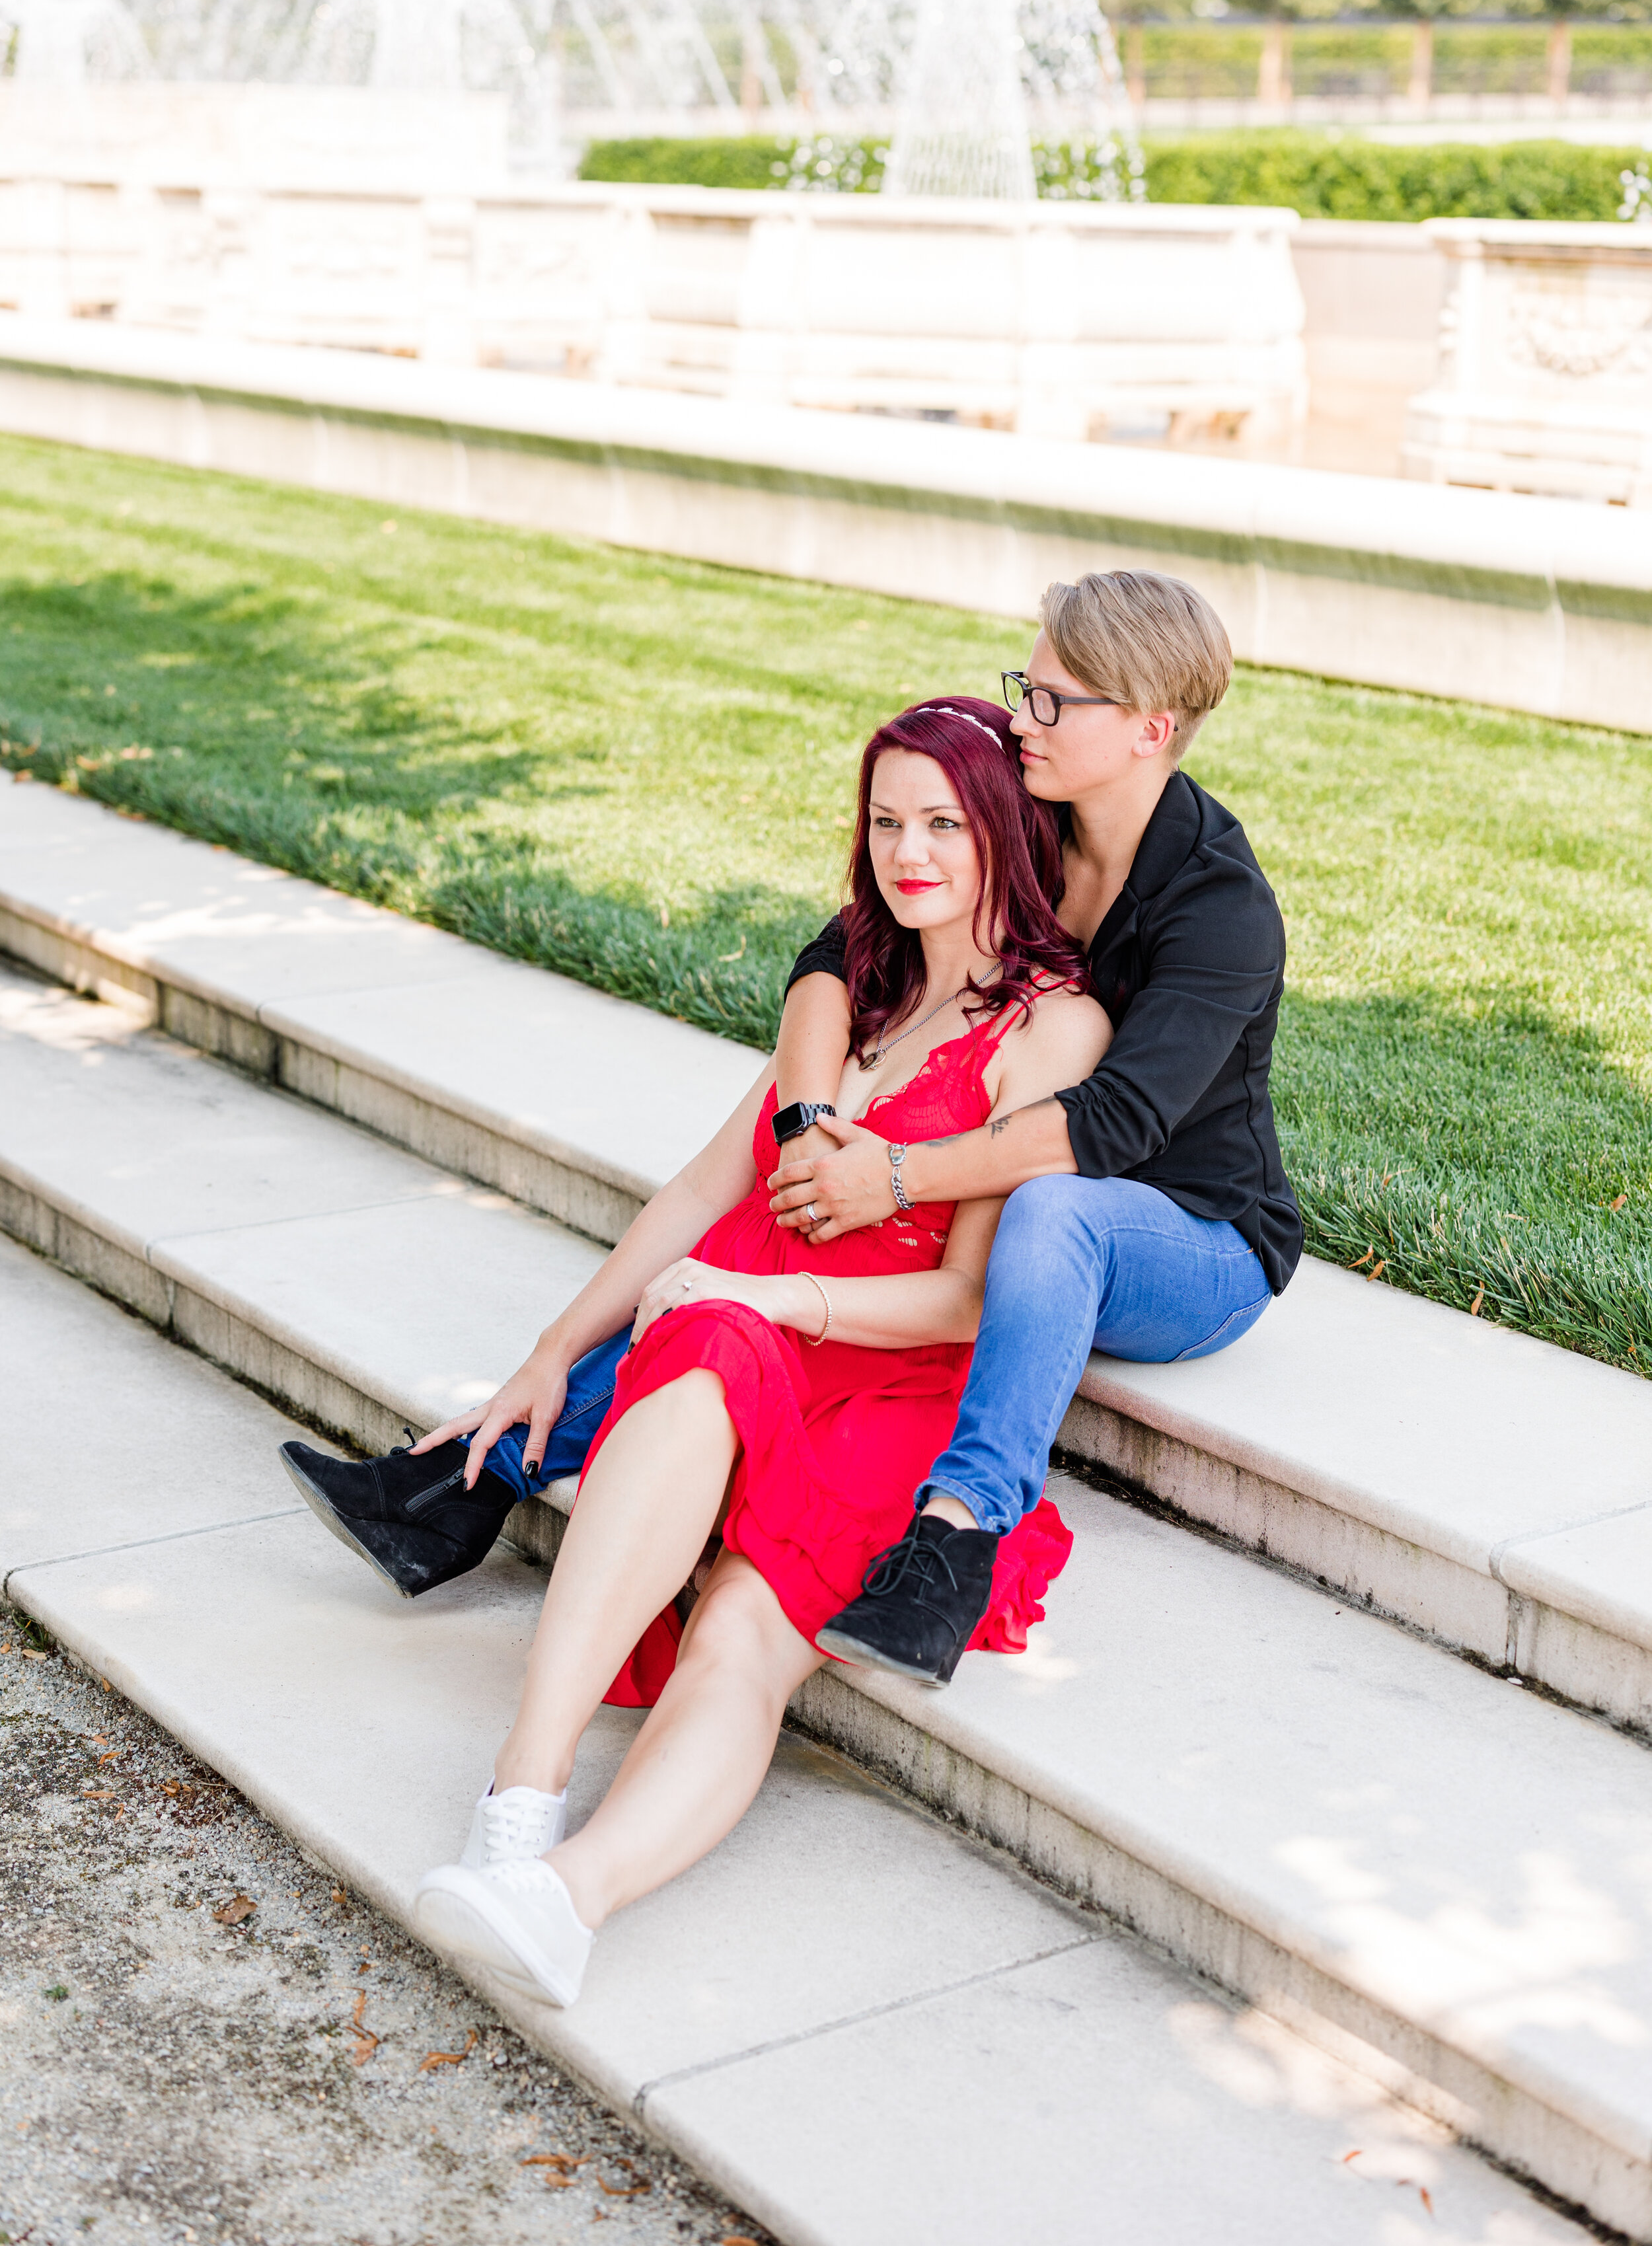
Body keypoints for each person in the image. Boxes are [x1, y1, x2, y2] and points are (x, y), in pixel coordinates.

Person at [399, 698, 1111, 2009]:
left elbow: (970, 1302)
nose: (909, 851)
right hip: (749, 1348)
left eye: (944, 822)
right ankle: (519, 1800)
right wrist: (555, 1348)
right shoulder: (858, 997)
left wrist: (774, 1302)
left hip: (894, 1383)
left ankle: (566, 1902)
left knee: (743, 1629)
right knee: (707, 1332)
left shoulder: (1049, 1029)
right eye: (886, 819)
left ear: (1004, 828)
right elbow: (692, 1192)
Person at [766, 568, 1302, 1692]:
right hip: (1002, 1206)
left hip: (1194, 1239)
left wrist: (899, 1175)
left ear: (1152, 729)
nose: (1022, 718)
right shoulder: (1035, 814)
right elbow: (844, 947)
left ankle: (955, 1543)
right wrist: (814, 1123)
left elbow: (1110, 1126)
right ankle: (522, 1448)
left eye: (1057, 701)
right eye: (1029, 686)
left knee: (1059, 1210)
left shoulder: (1222, 906)